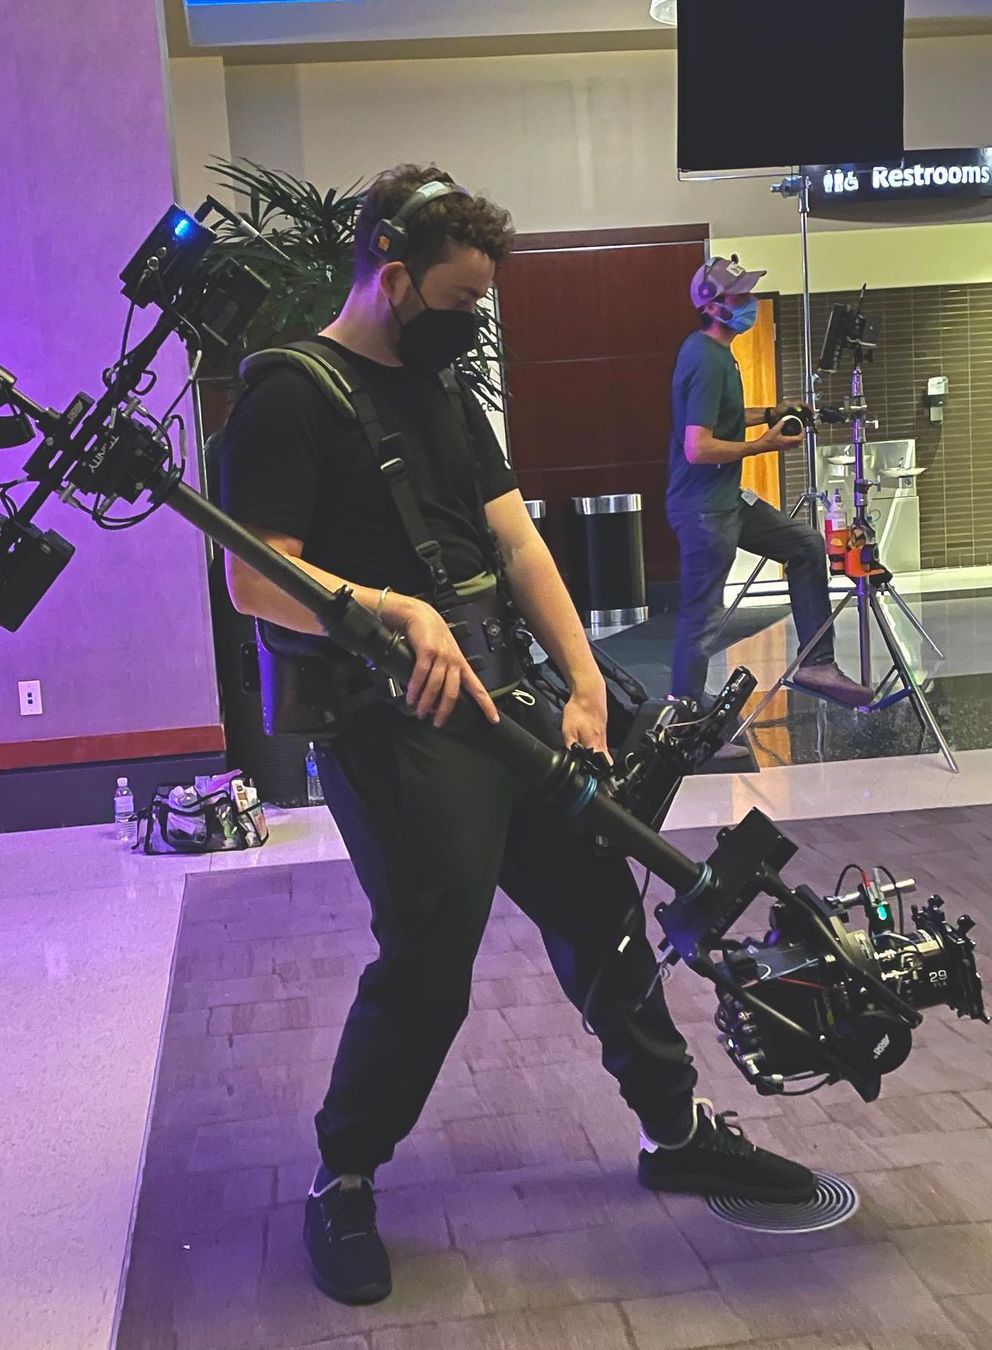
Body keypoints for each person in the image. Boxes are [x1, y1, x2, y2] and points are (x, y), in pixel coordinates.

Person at [220, 168, 816, 1308]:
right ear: (392, 275)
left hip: (510, 698)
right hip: (396, 725)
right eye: (457, 300)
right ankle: (344, 1177)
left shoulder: (443, 391)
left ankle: (676, 1129)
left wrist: (585, 680)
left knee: (601, 906)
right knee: (432, 956)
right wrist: (392, 609)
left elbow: (517, 542)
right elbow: (256, 577)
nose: (471, 322)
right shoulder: (290, 396)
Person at [667, 255, 873, 745]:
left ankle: (816, 664)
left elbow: (723, 416)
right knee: (702, 616)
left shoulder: (716, 352)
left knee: (804, 545)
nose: (750, 303)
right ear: (712, 306)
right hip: (705, 508)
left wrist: (772, 412)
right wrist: (765, 445)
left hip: (726, 500)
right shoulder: (705, 357)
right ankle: (683, 725)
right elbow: (698, 447)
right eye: (740, 296)